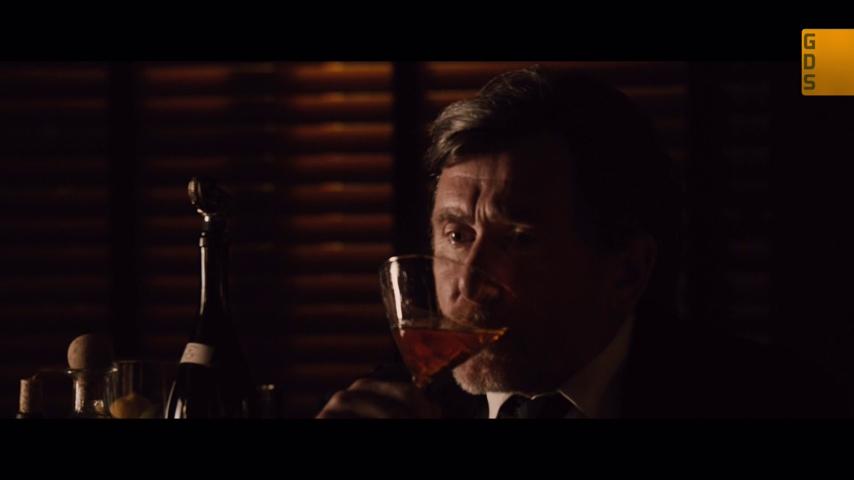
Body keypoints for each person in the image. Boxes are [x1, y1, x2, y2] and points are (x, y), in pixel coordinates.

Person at [316, 65, 849, 419]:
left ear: (627, 271)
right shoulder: (399, 400)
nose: (470, 285)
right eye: (457, 234)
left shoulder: (773, 401)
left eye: (519, 239)